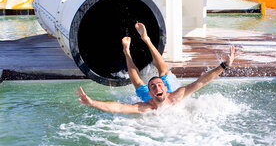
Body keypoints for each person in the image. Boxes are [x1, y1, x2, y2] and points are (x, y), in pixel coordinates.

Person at [75, 22, 239, 114]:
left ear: (165, 89)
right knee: (138, 83)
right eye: (153, 86)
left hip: (169, 87)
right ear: (151, 93)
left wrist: (224, 66)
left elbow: (201, 82)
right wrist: (92, 103)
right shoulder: (145, 106)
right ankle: (127, 51)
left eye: (159, 85)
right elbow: (118, 107)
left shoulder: (176, 95)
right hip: (148, 97)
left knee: (164, 72)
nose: (157, 87)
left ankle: (146, 39)